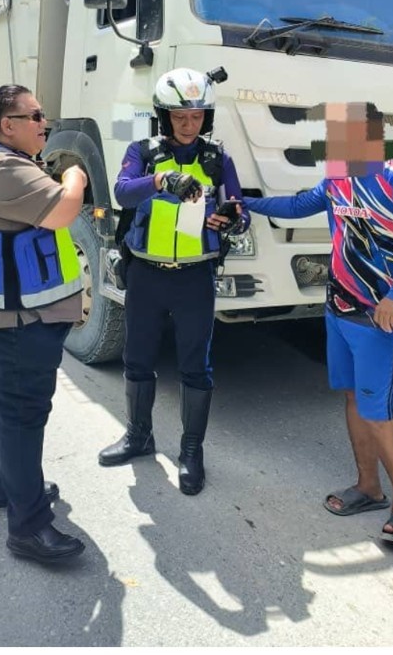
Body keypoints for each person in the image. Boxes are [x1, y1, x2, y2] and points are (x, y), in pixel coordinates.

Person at [245, 102, 393, 545]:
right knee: (353, 398)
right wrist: (244, 202)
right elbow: (298, 204)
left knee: (379, 413)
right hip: (338, 309)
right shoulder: (338, 177)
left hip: (379, 319)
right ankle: (368, 487)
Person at [98, 68, 249, 497]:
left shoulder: (218, 159)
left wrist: (233, 218)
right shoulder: (142, 151)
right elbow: (122, 192)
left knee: (195, 366)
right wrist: (161, 180)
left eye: (197, 116)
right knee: (137, 359)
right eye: (180, 116)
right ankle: (138, 436)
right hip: (146, 273)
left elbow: (237, 207)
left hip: (195, 277)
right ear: (164, 117)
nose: (188, 124)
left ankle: (191, 450)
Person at [0, 84, 89, 563]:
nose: (43, 123)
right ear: (6, 125)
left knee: (8, 408)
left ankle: (7, 489)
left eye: (42, 115)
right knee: (22, 415)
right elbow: (64, 209)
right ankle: (28, 527)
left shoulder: (6, 163)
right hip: (11, 321)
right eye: (33, 116)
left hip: (11, 315)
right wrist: (75, 174)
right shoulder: (1, 169)